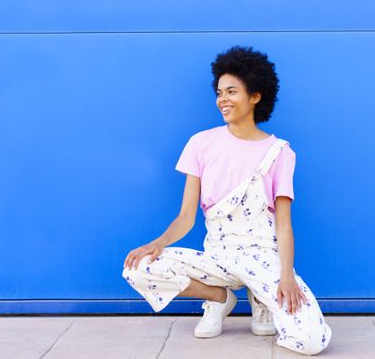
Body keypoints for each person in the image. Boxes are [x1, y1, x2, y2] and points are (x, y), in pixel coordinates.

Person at [122, 46, 332, 355]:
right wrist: (158, 243)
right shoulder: (201, 144)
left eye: (232, 91)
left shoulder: (280, 153)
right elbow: (186, 217)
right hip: (218, 256)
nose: (222, 99)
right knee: (137, 267)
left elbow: (284, 226)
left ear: (255, 96)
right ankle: (220, 298)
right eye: (219, 92)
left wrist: (285, 277)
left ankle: (262, 299)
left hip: (262, 258)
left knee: (312, 340)